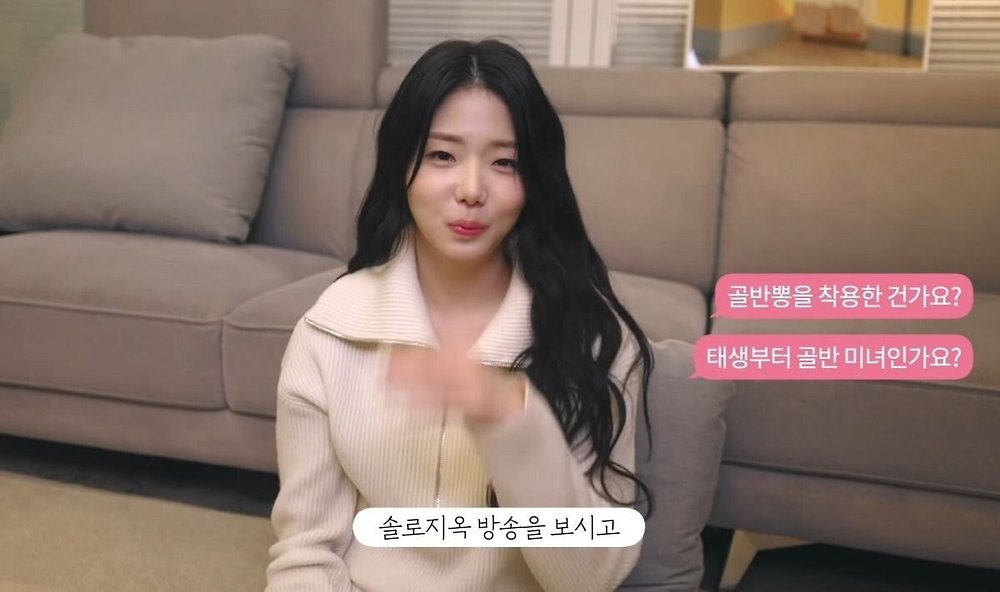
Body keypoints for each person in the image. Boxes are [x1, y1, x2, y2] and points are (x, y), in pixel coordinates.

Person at [265, 39, 654, 592]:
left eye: (504, 162)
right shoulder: (328, 331)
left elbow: (588, 579)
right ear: (402, 165)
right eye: (442, 156)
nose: (471, 190)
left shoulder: (594, 339)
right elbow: (306, 552)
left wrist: (511, 420)